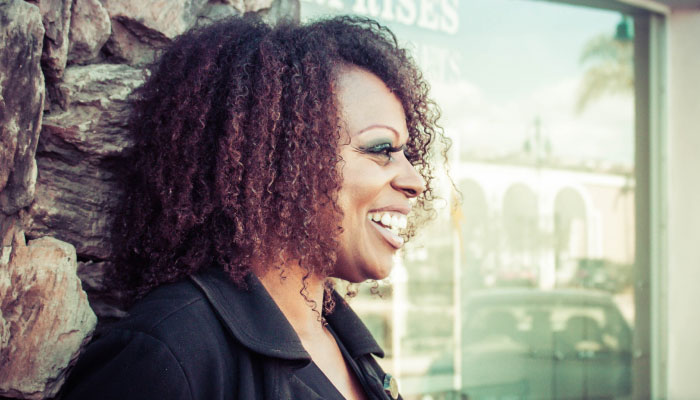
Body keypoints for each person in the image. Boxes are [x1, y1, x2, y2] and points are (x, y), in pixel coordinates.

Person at [62, 14, 444, 400]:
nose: (416, 181)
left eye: (407, 153)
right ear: (278, 160)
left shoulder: (345, 343)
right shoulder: (169, 354)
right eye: (382, 149)